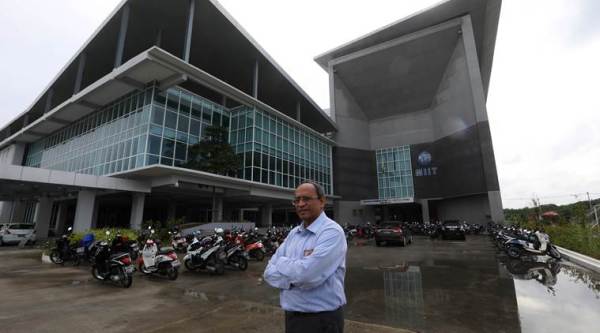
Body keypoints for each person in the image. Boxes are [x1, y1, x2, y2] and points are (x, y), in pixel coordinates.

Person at [263, 181, 347, 333]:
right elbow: (268, 273)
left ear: (322, 201)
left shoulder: (332, 232)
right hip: (292, 318)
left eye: (306, 199)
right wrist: (297, 274)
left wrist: (281, 263)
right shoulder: (294, 233)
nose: (300, 204)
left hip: (322, 320)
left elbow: (307, 275)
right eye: (297, 200)